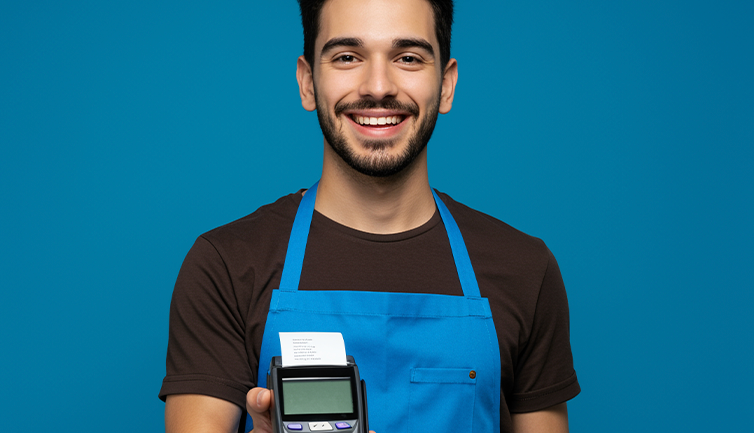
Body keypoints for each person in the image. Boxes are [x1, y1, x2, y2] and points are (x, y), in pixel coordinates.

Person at [159, 0, 580, 432]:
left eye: (408, 58)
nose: (378, 87)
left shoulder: (525, 269)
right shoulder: (226, 266)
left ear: (446, 85)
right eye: (347, 57)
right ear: (307, 82)